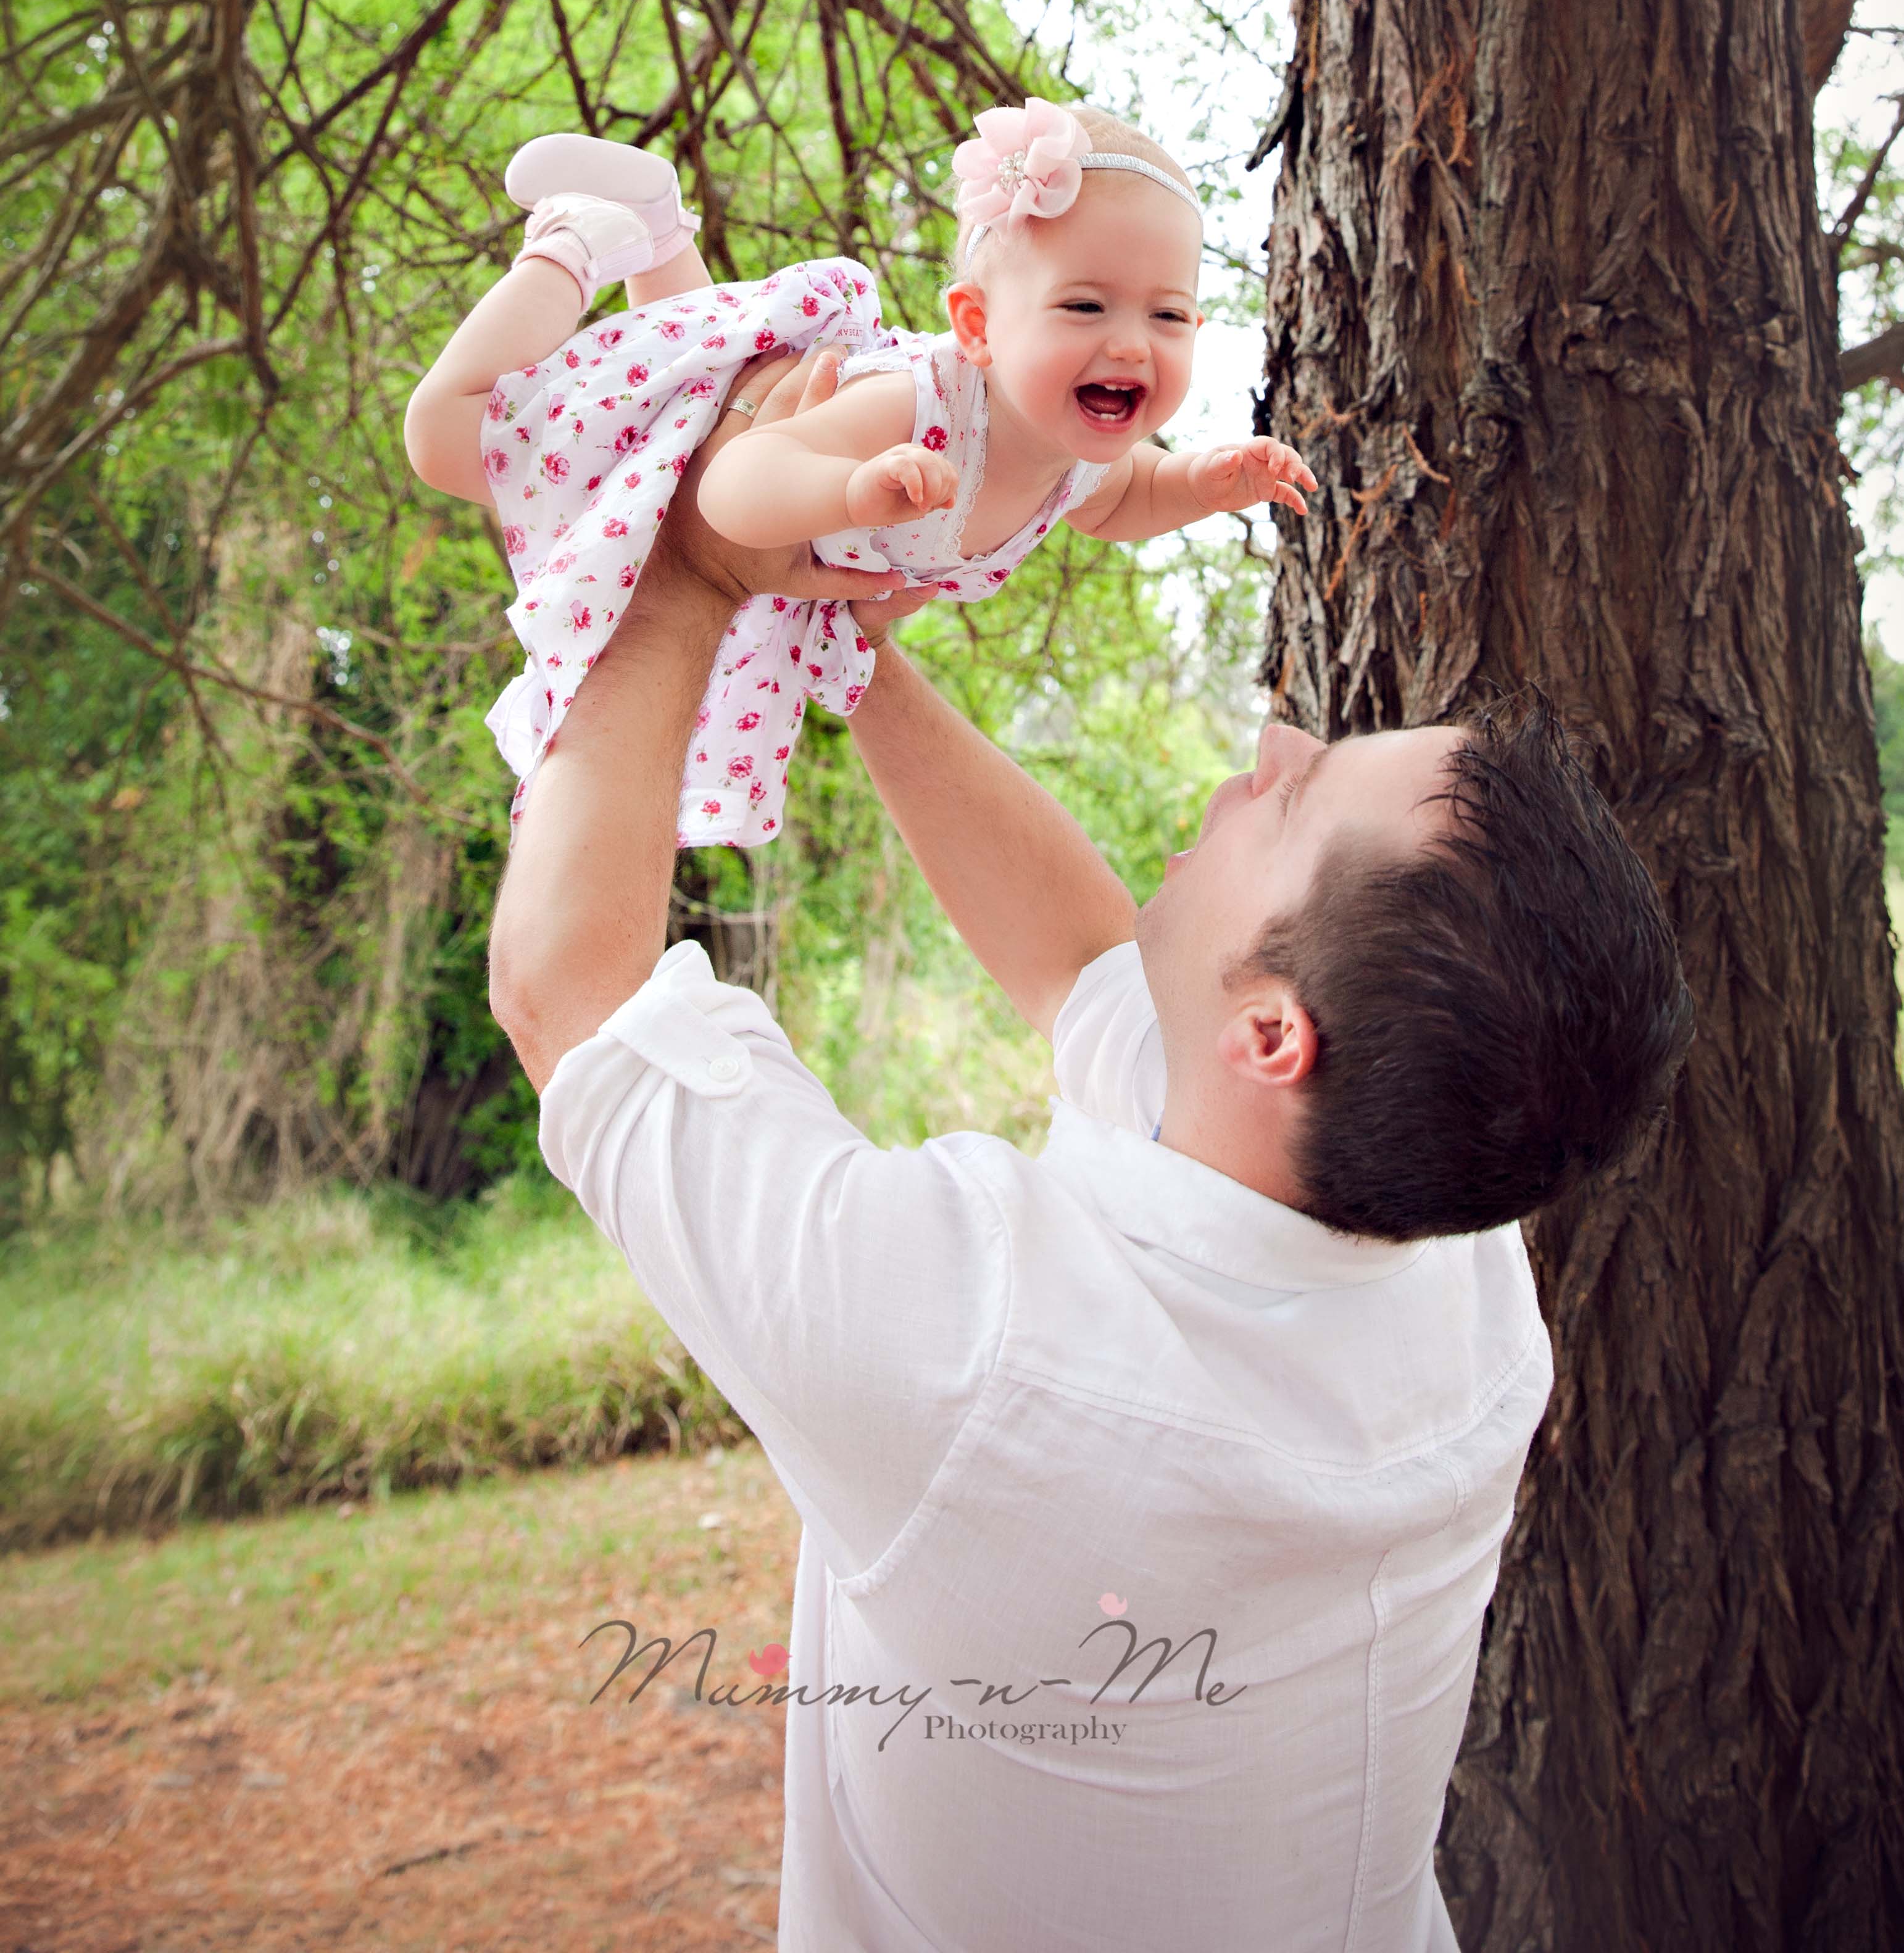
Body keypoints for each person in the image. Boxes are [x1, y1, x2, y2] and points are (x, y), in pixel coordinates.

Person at [487, 349, 1693, 1953]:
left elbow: (571, 994)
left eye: (1301, 796)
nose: (1268, 743)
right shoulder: (1445, 1237)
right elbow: (1082, 968)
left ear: (1273, 1036)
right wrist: (847, 657)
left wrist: (694, 574)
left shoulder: (981, 1362)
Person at [402, 98, 1315, 844]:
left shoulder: (1078, 463)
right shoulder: (914, 408)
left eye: (1167, 316)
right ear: (978, 329)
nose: (1130, 342)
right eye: (1084, 305)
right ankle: (572, 244)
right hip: (732, 454)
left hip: (729, 426)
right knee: (446, 439)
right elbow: (731, 487)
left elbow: (1127, 500)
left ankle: (655, 229)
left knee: (701, 386)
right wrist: (844, 489)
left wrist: (1205, 483)